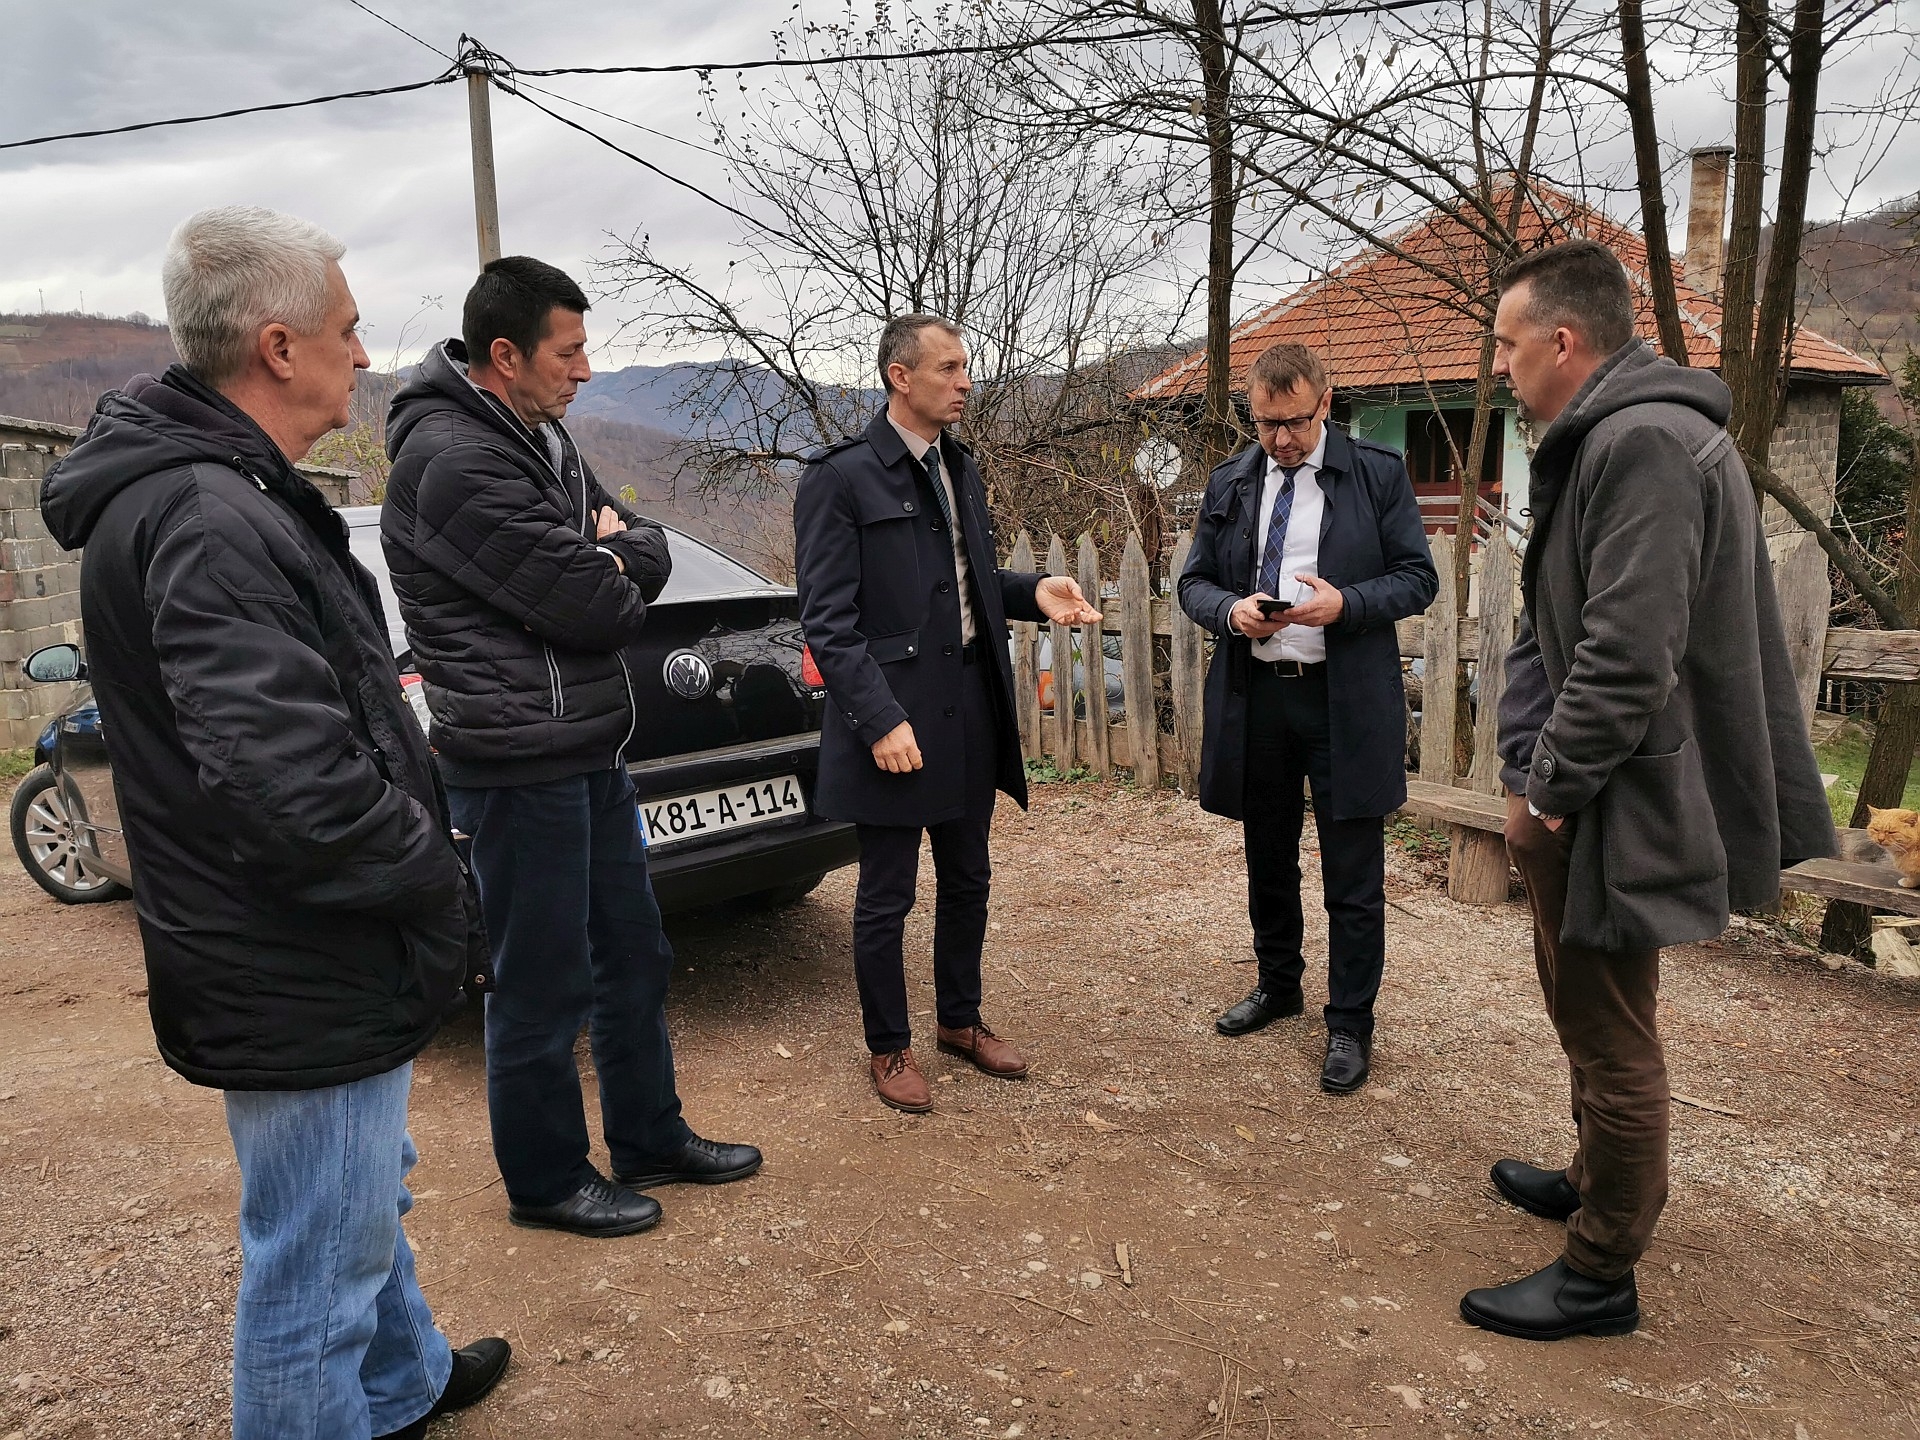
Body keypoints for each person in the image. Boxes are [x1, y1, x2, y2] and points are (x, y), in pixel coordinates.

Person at [38, 207, 508, 1440]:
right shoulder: (203, 514)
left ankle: (404, 1385)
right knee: (314, 1269)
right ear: (280, 345)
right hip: (295, 953)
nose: (366, 356)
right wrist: (436, 872)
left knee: (356, 1201)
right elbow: (290, 787)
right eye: (351, 333)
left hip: (300, 948)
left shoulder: (223, 492)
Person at [1466, 238, 1836, 1341]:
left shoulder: (1645, 446)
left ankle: (1599, 1270)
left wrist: (1552, 791)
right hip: (1592, 788)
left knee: (1610, 1025)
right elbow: (1577, 624)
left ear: (1564, 342)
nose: (1500, 365)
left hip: (1613, 796)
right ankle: (1592, 1177)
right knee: (1594, 1005)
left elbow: (1629, 655)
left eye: (1507, 342)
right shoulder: (1621, 436)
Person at [382, 257, 760, 1237]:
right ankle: (547, 1181)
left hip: (585, 749)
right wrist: (606, 555)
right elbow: (597, 602)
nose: (586, 369)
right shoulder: (454, 460)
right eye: (571, 349)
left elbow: (646, 545)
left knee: (634, 955)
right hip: (516, 765)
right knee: (541, 982)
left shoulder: (534, 437)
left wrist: (610, 545)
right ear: (505, 356)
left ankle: (649, 1137)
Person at [793, 314, 1102, 1112]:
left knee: (969, 876)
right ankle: (889, 1048)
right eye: (949, 367)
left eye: (966, 367)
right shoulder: (841, 477)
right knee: (887, 893)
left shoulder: (958, 465)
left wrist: (1033, 591)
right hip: (892, 715)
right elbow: (829, 622)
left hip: (971, 703)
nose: (965, 380)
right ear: (901, 376)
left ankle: (959, 1022)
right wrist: (879, 719)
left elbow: (965, 581)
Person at [1178, 342, 1437, 1094]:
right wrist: (1230, 611)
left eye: (1293, 422)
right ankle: (1278, 983)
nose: (1281, 439)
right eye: (1265, 423)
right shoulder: (1231, 480)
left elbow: (1417, 579)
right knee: (1268, 854)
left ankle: (1350, 1023)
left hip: (1343, 700)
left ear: (1326, 403)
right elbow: (1193, 583)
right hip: (1259, 696)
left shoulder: (1377, 476)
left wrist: (1346, 604)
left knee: (1352, 874)